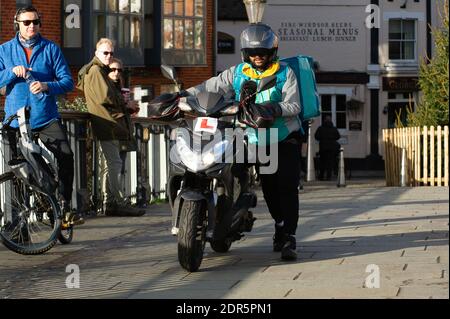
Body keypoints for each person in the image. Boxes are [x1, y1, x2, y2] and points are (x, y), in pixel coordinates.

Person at [186, 23, 302, 261]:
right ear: (245, 53)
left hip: (281, 137)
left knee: (286, 187)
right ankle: (260, 221)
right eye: (252, 52)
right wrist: (183, 95)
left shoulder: (284, 73)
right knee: (268, 187)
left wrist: (272, 108)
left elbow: (295, 105)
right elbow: (210, 86)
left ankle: (289, 235)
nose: (257, 57)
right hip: (252, 136)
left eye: (262, 52)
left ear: (273, 51)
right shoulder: (237, 72)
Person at [0, 6, 83, 226]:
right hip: (16, 120)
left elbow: (67, 82)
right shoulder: (4, 50)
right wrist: (11, 72)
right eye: (26, 22)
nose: (31, 26)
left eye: (35, 22)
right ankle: (20, 221)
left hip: (45, 117)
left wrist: (46, 85)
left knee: (66, 156)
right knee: (18, 168)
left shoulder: (51, 49)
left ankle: (65, 207)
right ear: (16, 24)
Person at [77, 38, 144, 217]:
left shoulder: (99, 70)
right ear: (96, 53)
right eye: (105, 53)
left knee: (110, 165)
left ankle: (111, 204)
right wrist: (124, 103)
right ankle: (119, 202)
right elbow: (104, 97)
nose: (109, 56)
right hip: (106, 123)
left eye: (111, 53)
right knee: (114, 164)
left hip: (108, 123)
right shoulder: (96, 70)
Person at [107, 57, 139, 198]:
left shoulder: (120, 87)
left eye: (119, 70)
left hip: (123, 131)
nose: (116, 73)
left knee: (120, 167)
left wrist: (131, 107)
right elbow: (108, 108)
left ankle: (117, 198)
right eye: (113, 69)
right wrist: (126, 106)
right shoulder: (106, 86)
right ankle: (112, 199)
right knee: (112, 167)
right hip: (111, 131)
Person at [314, 115, 341, 180]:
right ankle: (328, 177)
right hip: (332, 148)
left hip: (323, 147)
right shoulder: (334, 128)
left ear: (324, 120)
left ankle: (321, 176)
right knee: (330, 163)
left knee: (322, 162)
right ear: (330, 120)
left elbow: (316, 137)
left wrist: (322, 139)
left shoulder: (320, 128)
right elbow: (338, 136)